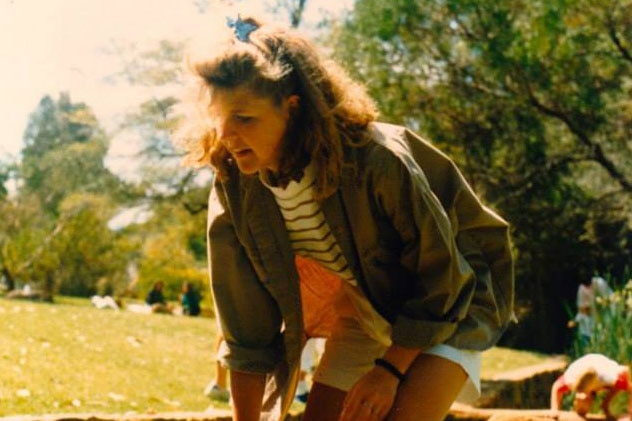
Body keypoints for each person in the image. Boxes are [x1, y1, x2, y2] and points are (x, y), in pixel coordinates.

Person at [173, 14, 514, 421]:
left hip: (450, 303)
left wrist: (388, 371)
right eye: (219, 118)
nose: (227, 135)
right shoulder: (234, 183)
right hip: (367, 308)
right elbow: (245, 328)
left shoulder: (376, 160)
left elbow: (442, 277)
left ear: (292, 109)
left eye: (244, 118)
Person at [550, 353, 632, 419]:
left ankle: (605, 405)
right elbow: (556, 386)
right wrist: (555, 409)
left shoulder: (610, 378)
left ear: (591, 399)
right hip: (585, 365)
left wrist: (630, 413)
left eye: (584, 400)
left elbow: (626, 373)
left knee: (619, 382)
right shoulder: (571, 379)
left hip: (605, 367)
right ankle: (603, 406)